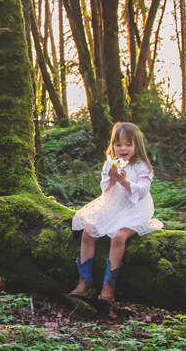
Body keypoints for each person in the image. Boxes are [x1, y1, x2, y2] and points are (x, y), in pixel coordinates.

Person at [69, 122, 163, 302]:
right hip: (113, 205)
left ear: (137, 145)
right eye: (118, 144)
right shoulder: (110, 164)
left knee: (118, 237)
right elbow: (105, 189)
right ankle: (84, 281)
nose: (123, 148)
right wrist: (112, 180)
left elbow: (142, 190)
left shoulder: (143, 167)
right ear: (112, 145)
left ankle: (108, 285)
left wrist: (124, 182)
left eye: (128, 144)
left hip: (135, 209)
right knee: (88, 232)